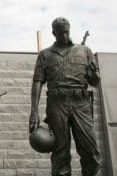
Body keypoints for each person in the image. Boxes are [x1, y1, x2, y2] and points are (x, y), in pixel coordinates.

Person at [29, 17, 100, 176]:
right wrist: (34, 112)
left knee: (91, 150)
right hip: (57, 105)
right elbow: (37, 82)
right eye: (60, 33)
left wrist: (94, 74)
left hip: (81, 103)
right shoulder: (45, 54)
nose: (65, 36)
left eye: (67, 32)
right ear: (54, 33)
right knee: (60, 154)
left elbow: (95, 82)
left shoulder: (85, 51)